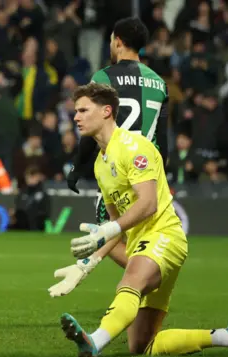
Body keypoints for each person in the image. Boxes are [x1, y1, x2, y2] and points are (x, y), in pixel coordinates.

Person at [48, 83, 228, 357]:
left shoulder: (133, 146)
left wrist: (110, 228)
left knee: (129, 283)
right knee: (141, 345)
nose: (76, 117)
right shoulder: (100, 165)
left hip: (164, 235)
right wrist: (86, 264)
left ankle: (94, 342)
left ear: (106, 111)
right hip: (140, 247)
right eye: (75, 111)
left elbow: (148, 203)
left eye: (83, 110)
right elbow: (115, 228)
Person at [65, 17, 169, 226]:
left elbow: (93, 127)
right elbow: (162, 136)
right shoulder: (159, 83)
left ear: (118, 42)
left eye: (112, 40)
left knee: (109, 237)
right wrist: (161, 173)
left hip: (115, 170)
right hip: (146, 170)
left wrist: (77, 167)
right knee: (141, 238)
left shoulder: (103, 78)